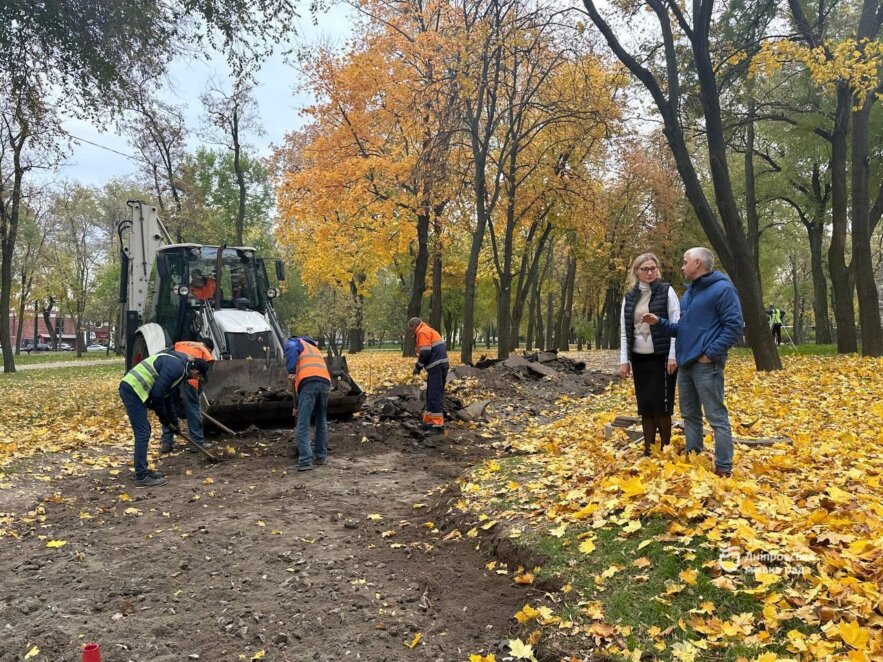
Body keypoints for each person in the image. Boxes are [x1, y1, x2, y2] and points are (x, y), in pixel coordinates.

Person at [642, 247, 743, 477]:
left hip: (706, 365)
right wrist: (660, 322)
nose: (681, 266)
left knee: (716, 416)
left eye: (684, 261)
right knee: (690, 415)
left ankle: (724, 468)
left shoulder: (723, 289)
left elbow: (734, 327)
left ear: (697, 263)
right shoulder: (690, 294)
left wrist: (710, 354)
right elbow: (684, 329)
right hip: (686, 364)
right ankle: (694, 457)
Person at [619, 253, 680, 456]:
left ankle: (665, 447)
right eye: (645, 269)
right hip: (639, 358)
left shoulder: (666, 291)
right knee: (645, 404)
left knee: (662, 404)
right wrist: (624, 360)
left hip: (662, 356)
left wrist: (673, 355)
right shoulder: (629, 297)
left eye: (653, 268)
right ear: (636, 271)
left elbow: (676, 324)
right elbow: (624, 330)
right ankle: (648, 449)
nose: (650, 272)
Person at [119, 352, 211, 487]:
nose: (197, 379)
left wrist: (174, 422)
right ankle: (141, 476)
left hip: (134, 389)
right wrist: (164, 420)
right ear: (195, 370)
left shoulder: (180, 369)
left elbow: (167, 398)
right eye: (199, 376)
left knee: (145, 431)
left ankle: (143, 470)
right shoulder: (177, 368)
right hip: (132, 389)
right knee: (143, 433)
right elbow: (157, 396)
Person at [160, 338, 215, 454]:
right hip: (189, 376)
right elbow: (208, 368)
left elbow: (165, 354)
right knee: (193, 407)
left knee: (170, 407)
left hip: (171, 374)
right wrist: (198, 392)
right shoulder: (204, 350)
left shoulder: (181, 344)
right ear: (209, 348)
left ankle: (166, 444)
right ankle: (197, 443)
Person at [284, 335, 331, 471]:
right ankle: (321, 457)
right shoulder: (313, 348)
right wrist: (298, 407)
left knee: (303, 423)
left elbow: (291, 348)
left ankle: (305, 460)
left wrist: (291, 370)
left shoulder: (294, 342)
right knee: (321, 420)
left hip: (309, 382)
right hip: (325, 383)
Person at [408, 317, 449, 434]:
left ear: (413, 326)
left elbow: (425, 352)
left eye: (410, 329)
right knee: (431, 394)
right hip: (439, 367)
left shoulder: (422, 332)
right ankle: (429, 422)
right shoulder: (428, 330)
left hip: (437, 367)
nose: (411, 332)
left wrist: (418, 367)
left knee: (434, 395)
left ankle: (437, 425)